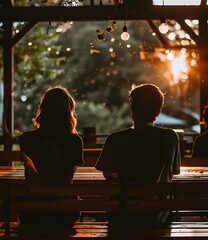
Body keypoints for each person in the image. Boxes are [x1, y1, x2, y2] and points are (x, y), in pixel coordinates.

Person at [95, 83, 181, 227]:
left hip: (122, 218)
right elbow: (175, 171)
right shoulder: (170, 138)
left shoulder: (115, 139)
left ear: (132, 111)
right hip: (158, 218)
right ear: (158, 111)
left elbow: (107, 173)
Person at [18, 86, 84, 234]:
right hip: (64, 214)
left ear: (43, 109)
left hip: (32, 213)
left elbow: (32, 174)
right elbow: (67, 176)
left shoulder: (27, 139)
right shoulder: (75, 142)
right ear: (69, 111)